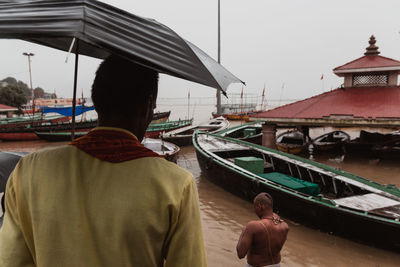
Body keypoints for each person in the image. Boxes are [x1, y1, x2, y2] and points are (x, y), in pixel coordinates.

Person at [0, 55, 207, 267]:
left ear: (97, 102)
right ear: (147, 107)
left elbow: (11, 261)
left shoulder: (27, 171)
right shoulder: (177, 185)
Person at [236, 192, 289, 267]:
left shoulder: (253, 226)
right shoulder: (284, 226)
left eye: (255, 207)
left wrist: (244, 230)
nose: (255, 211)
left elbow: (240, 254)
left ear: (260, 206)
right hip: (276, 264)